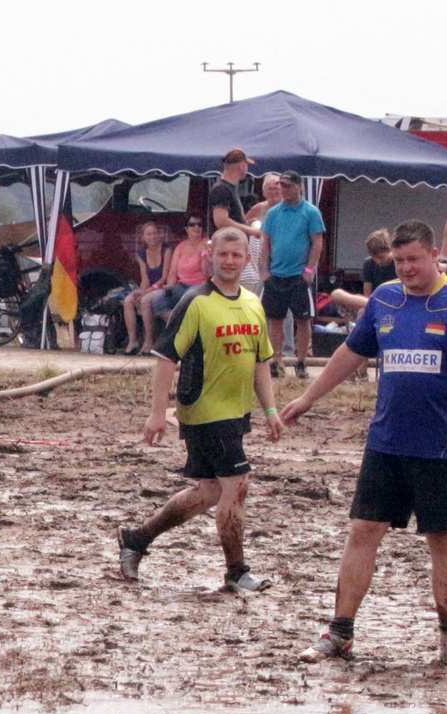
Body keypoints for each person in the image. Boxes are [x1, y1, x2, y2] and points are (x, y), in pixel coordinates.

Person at [280, 220, 447, 664]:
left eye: (413, 260)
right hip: (386, 442)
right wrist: (308, 397)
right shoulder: (384, 300)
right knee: (363, 530)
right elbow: (350, 353)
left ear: (434, 257)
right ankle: (340, 632)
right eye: (398, 261)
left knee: (442, 539)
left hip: (441, 446)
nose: (404, 268)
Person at [117, 227, 281, 592]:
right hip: (204, 411)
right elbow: (164, 357)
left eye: (237, 255)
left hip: (236, 413)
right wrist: (158, 412)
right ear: (211, 257)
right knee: (237, 486)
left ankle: (137, 539)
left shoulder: (254, 304)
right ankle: (237, 572)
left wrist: (270, 410)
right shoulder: (195, 301)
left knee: (209, 492)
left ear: (246, 260)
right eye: (223, 254)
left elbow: (260, 362)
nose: (229, 261)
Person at [260, 170, 325, 379]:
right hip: (276, 274)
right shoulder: (273, 213)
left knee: (303, 319)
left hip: (298, 274)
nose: (283, 189)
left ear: (299, 186)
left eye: (288, 185)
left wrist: (309, 270)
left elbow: (317, 243)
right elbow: (266, 244)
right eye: (282, 185)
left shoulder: (311, 212)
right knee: (275, 319)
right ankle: (276, 361)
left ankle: (301, 361)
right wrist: (264, 271)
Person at [139, 215, 209, 353]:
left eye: (199, 225)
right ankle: (154, 340)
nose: (196, 228)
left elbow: (208, 273)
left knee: (188, 298)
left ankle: (181, 341)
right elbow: (172, 273)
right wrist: (169, 287)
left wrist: (205, 256)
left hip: (199, 285)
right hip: (180, 285)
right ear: (186, 228)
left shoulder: (207, 243)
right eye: (192, 224)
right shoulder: (181, 246)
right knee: (156, 300)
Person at [123, 222, 170, 355]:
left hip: (162, 287)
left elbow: (165, 277)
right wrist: (142, 291)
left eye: (155, 233)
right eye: (148, 234)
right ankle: (133, 341)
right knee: (128, 300)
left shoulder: (166, 250)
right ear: (143, 237)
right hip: (150, 288)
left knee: (145, 301)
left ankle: (149, 341)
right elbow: (145, 279)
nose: (152, 237)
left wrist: (149, 291)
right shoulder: (141, 254)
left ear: (159, 235)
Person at [209, 149, 260, 237]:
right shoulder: (221, 188)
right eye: (246, 165)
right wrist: (251, 230)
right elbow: (221, 221)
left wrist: (246, 222)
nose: (247, 169)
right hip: (228, 244)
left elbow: (230, 218)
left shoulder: (229, 187)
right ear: (241, 166)